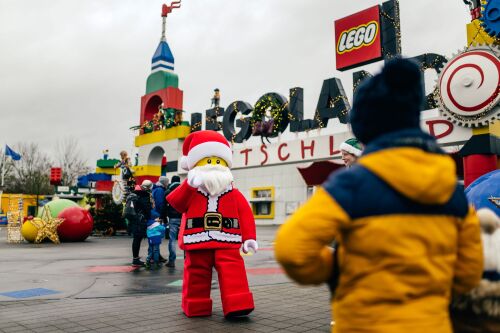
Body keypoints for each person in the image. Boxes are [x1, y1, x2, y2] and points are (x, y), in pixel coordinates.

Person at [274, 58, 483, 333]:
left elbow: (292, 250)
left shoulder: (351, 186)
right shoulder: (450, 192)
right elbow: (469, 272)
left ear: (363, 127)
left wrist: (336, 268)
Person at [167, 130, 258, 318]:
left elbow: (245, 213)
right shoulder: (192, 188)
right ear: (194, 164)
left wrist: (249, 237)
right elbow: (177, 204)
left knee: (234, 270)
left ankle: (237, 302)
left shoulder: (232, 192)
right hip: (197, 238)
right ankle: (195, 304)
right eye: (208, 161)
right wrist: (189, 186)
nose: (214, 166)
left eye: (219, 161)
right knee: (196, 274)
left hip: (227, 239)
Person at [127, 180, 154, 266]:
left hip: (133, 219)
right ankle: (135, 259)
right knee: (137, 239)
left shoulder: (134, 193)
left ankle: (136, 258)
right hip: (140, 220)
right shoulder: (144, 195)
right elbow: (147, 209)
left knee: (136, 239)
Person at [165, 175, 181, 268]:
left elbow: (164, 206)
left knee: (172, 239)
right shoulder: (184, 191)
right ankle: (188, 259)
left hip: (172, 218)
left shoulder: (168, 192)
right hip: (183, 217)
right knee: (186, 239)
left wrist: (163, 217)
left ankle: (172, 261)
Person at [152, 176, 169, 263]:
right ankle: (155, 256)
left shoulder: (156, 189)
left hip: (154, 215)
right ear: (164, 183)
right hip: (158, 216)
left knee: (155, 236)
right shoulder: (160, 190)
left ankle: (155, 255)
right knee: (157, 237)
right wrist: (162, 216)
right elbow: (160, 204)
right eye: (167, 182)